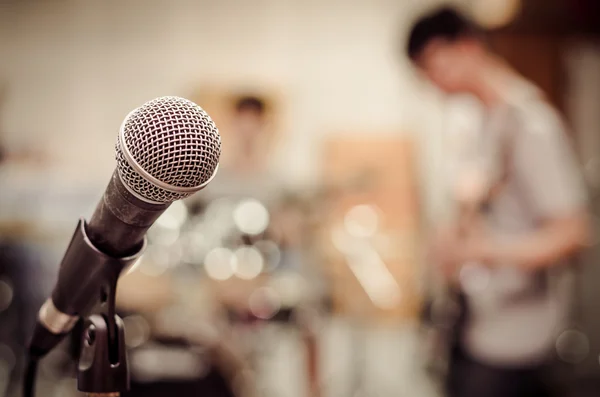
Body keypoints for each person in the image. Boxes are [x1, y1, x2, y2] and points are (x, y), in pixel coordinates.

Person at [406, 7, 590, 397]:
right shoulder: (487, 120)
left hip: (516, 342)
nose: (430, 81)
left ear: (468, 47)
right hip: (480, 324)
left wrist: (483, 251)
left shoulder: (533, 124)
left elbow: (573, 233)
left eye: (432, 65)